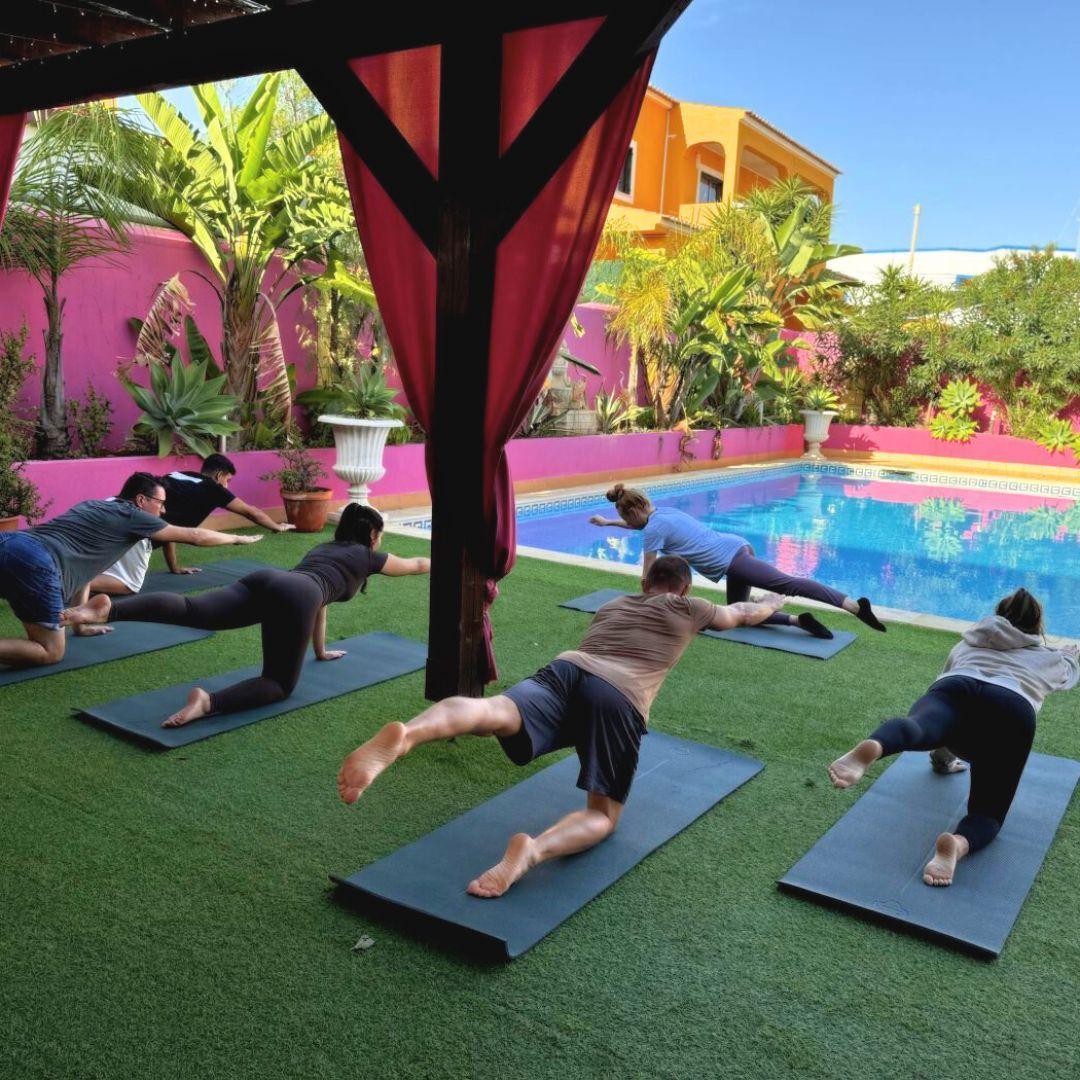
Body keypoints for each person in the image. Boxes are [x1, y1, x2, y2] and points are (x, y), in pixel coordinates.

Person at [336, 555, 786, 899]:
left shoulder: (613, 604)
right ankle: (531, 851)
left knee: (495, 711)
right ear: (683, 588)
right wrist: (769, 603)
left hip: (567, 669)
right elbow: (741, 614)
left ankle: (408, 736)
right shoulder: (691, 607)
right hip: (621, 694)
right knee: (602, 816)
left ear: (644, 584)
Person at [63, 504, 430, 728]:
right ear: (373, 534)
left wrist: (320, 651)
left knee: (193, 610)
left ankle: (109, 607)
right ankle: (208, 703)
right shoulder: (368, 556)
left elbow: (321, 602)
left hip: (269, 580)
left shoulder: (325, 548)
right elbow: (415, 564)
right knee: (278, 685)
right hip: (296, 595)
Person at [828, 588, 1079, 887]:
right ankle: (957, 844)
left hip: (956, 687)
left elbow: (950, 720)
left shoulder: (968, 643)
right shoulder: (1049, 658)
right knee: (988, 815)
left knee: (919, 727)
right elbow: (1069, 673)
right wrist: (1069, 657)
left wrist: (942, 758)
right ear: (1037, 626)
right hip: (1011, 708)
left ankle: (876, 746)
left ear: (998, 615)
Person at [0, 473, 262, 670]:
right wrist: (237, 538)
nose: (163, 510)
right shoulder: (133, 516)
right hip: (35, 564)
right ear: (141, 500)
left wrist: (80, 624)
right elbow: (194, 536)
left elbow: (85, 571)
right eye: (160, 503)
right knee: (50, 651)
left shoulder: (93, 505)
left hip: (11, 541)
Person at [590, 483, 886, 639]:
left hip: (732, 559)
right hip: (733, 550)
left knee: (788, 584)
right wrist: (608, 523)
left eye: (626, 517)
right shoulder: (662, 514)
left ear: (636, 510)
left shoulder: (654, 528)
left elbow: (649, 571)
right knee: (738, 612)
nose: (629, 522)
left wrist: (643, 599)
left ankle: (855, 606)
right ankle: (798, 621)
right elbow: (640, 526)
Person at [90, 453, 294, 593]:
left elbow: (171, 525)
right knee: (130, 585)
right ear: (219, 475)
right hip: (137, 528)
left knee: (99, 557)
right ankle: (77, 581)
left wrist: (174, 567)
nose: (227, 486)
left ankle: (79, 577)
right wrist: (276, 526)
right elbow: (252, 512)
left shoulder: (176, 475)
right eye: (228, 480)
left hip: (111, 512)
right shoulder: (214, 489)